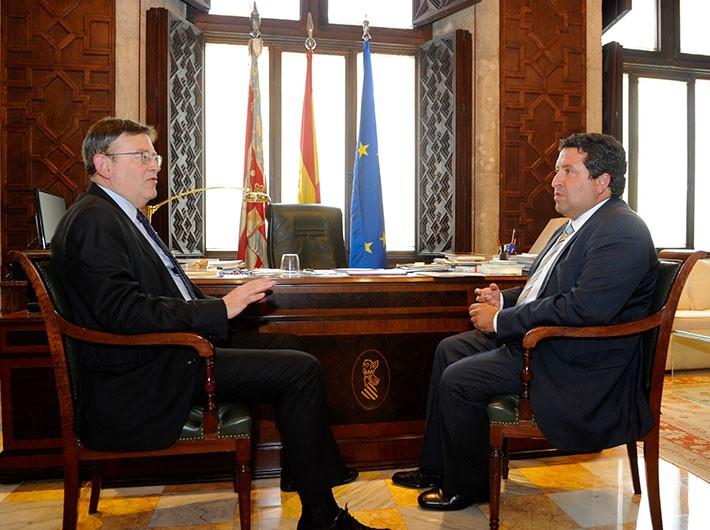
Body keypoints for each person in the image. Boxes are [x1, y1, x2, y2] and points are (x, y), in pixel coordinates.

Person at [51, 117, 386, 530]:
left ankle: (304, 472)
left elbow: (156, 299)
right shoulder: (95, 221)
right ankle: (321, 516)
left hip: (166, 353)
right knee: (300, 371)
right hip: (144, 375)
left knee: (291, 345)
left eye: (155, 157)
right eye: (142, 156)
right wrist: (220, 310)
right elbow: (122, 312)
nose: (155, 166)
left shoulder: (117, 216)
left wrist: (223, 307)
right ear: (104, 164)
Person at [392, 132, 658, 511]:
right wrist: (504, 300)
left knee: (459, 380)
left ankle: (469, 486)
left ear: (602, 182)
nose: (554, 181)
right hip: (549, 342)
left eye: (568, 171)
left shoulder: (622, 231)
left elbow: (585, 308)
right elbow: (546, 288)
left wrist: (501, 321)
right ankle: (437, 468)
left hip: (577, 363)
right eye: (557, 170)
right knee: (449, 350)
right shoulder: (575, 225)